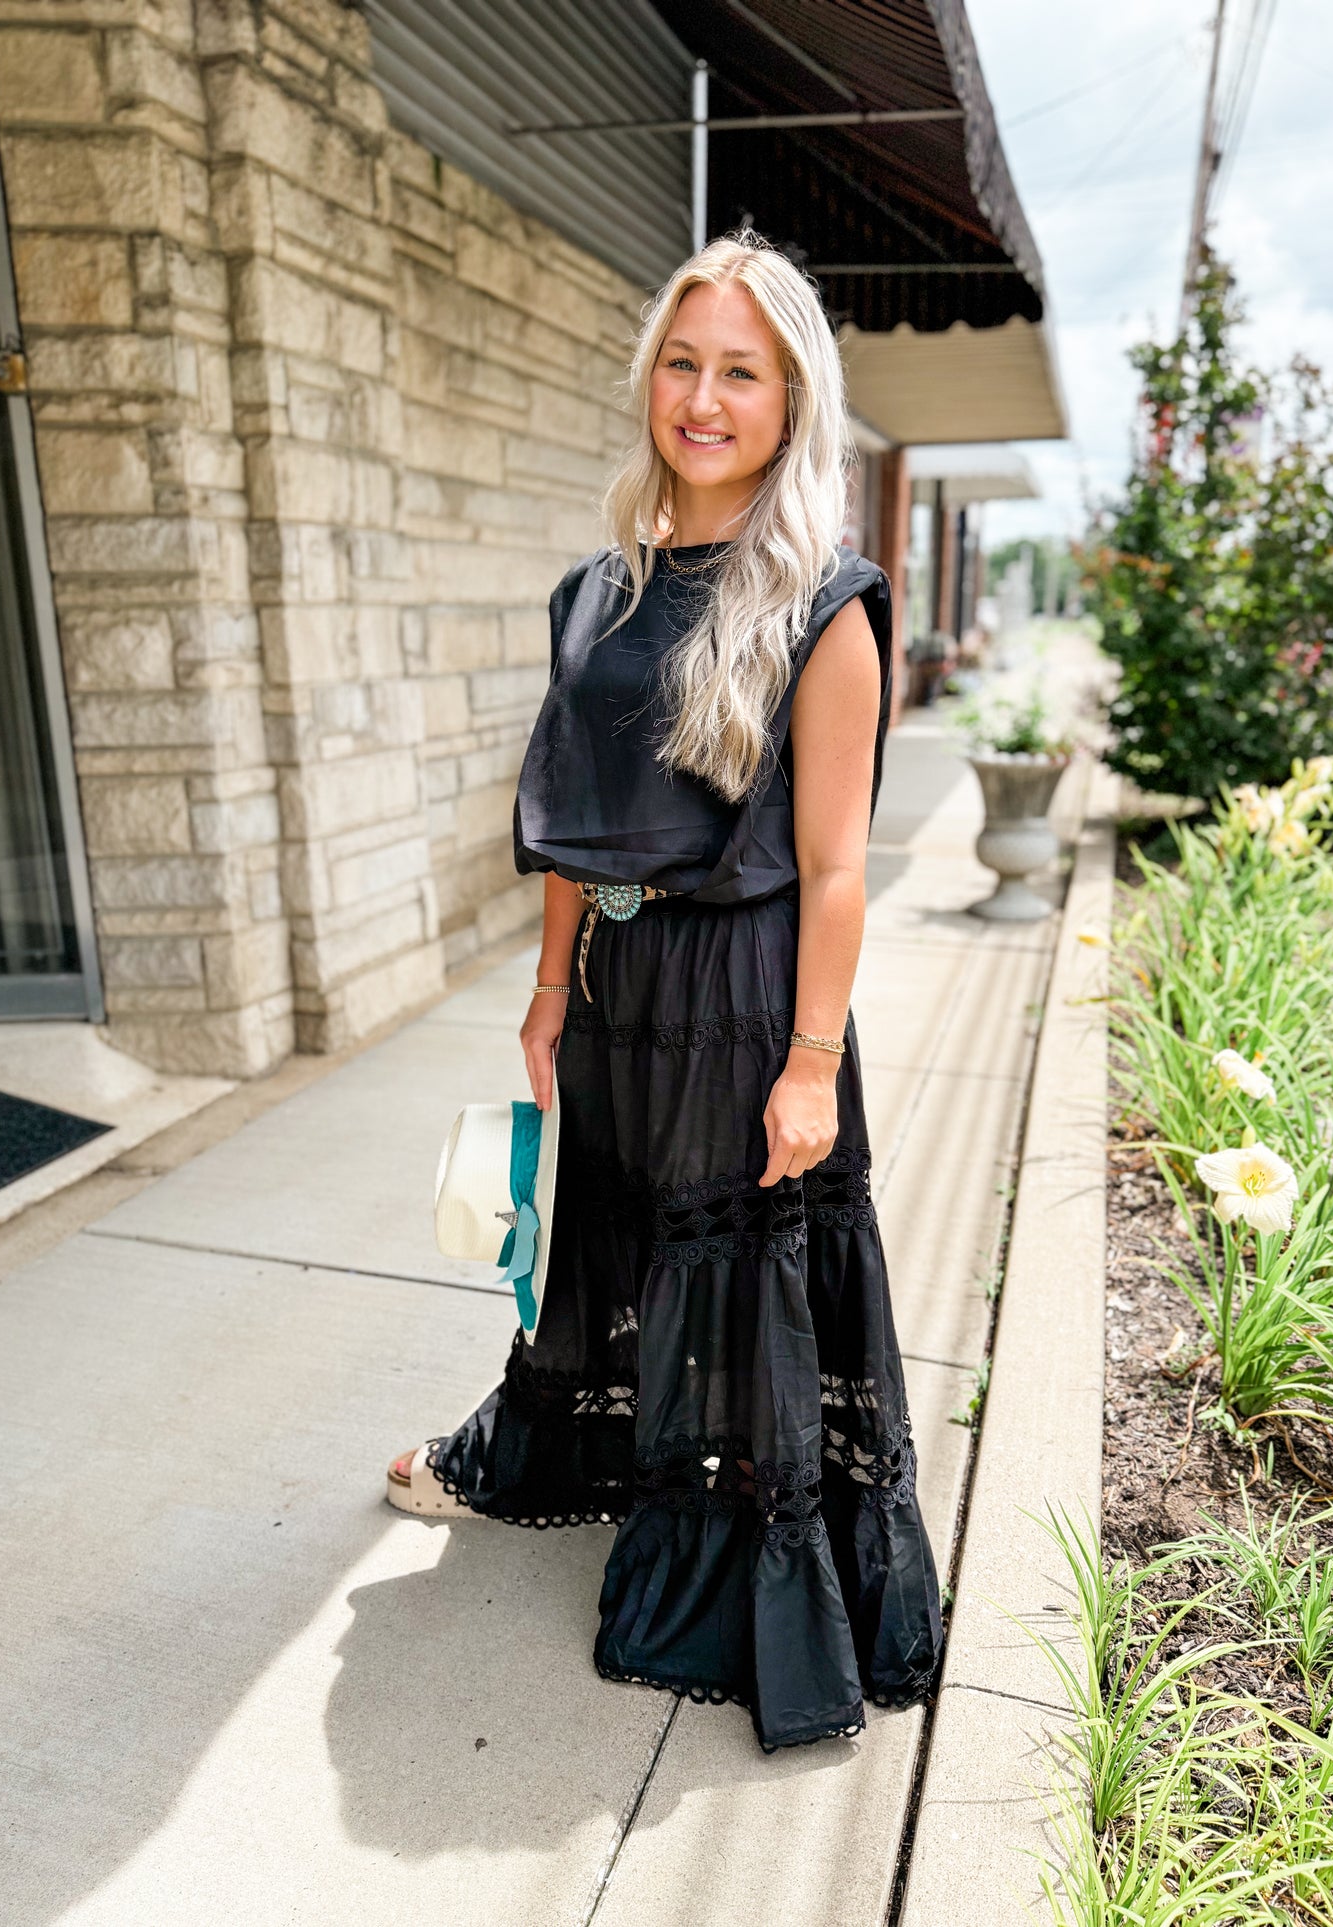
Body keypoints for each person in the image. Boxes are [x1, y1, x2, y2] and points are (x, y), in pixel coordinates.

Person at [386, 233, 942, 1752]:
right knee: (603, 1230)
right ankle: (564, 1454)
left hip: (744, 989)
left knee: (728, 1266)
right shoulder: (597, 590)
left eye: (740, 373)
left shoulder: (824, 604)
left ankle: (730, 1554)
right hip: (616, 977)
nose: (703, 399)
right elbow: (575, 815)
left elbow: (836, 866)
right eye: (682, 364)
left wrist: (812, 1062)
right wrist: (547, 985)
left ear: (790, 403)